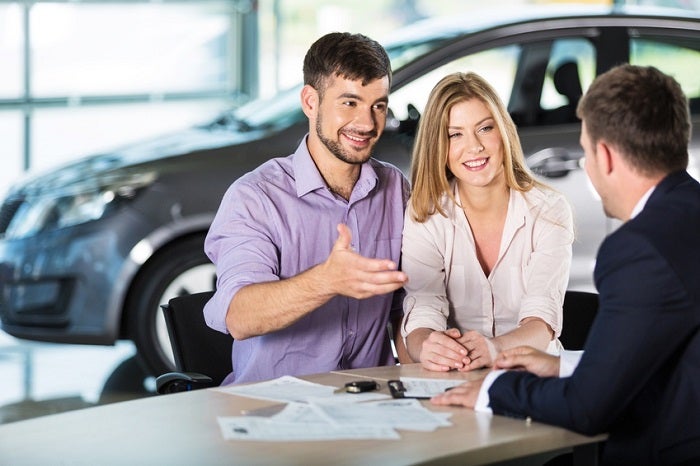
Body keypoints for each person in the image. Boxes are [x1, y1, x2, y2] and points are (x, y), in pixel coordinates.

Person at [432, 64, 700, 465]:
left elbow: (586, 408)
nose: (587, 167)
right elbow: (666, 354)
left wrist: (492, 389)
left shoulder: (638, 249)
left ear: (605, 156)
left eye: (586, 151)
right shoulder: (690, 209)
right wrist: (564, 364)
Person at [203, 32, 410, 385]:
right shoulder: (256, 197)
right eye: (349, 103)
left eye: (378, 105)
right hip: (274, 410)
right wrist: (327, 280)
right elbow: (239, 316)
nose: (367, 123)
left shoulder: (396, 189)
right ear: (310, 101)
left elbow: (404, 312)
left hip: (370, 407)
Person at [399, 71, 574, 372]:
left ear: (503, 132)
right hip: (457, 376)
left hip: (533, 376)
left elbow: (542, 322)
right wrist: (427, 346)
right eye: (455, 134)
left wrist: (494, 349)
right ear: (438, 146)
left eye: (484, 128)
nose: (474, 147)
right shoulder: (426, 214)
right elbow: (422, 311)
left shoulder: (549, 210)